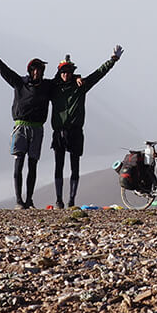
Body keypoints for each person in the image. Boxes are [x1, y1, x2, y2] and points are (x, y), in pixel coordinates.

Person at [0, 39, 56, 208]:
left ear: (43, 71)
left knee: (32, 164)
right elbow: (3, 70)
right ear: (30, 71)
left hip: (37, 129)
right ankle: (18, 200)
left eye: (39, 69)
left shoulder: (47, 86)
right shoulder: (19, 83)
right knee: (19, 162)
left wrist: (75, 75)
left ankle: (29, 200)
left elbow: (63, 78)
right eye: (34, 69)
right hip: (21, 127)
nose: (37, 71)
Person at [49, 45, 122, 208]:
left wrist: (113, 61)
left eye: (68, 72)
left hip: (75, 132)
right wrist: (75, 76)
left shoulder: (80, 86)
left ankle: (71, 200)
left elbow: (98, 74)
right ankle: (59, 200)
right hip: (59, 132)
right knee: (59, 166)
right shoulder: (53, 88)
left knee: (75, 167)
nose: (66, 74)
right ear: (59, 73)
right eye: (63, 72)